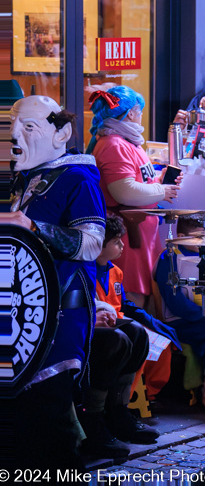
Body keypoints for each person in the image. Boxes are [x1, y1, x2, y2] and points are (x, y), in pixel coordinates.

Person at [1, 96, 106, 469]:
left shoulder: (77, 177)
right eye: (14, 127)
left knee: (49, 411)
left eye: (29, 127)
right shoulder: (28, 174)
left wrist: (33, 227)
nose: (16, 136)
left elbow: (92, 243)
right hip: (21, 313)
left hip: (59, 313)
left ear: (62, 133)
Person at [81, 214, 169, 458]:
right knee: (117, 341)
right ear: (99, 244)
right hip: (82, 327)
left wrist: (150, 321)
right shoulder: (81, 270)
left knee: (139, 333)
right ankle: (93, 418)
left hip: (108, 322)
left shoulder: (115, 272)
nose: (122, 246)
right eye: (117, 241)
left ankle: (118, 411)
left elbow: (122, 306)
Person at [89, 86, 180, 306]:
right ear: (131, 112)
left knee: (142, 292)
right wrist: (161, 190)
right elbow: (124, 191)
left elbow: (136, 183)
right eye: (139, 111)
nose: (141, 116)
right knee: (130, 293)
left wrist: (159, 181)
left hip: (138, 233)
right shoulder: (114, 144)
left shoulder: (125, 142)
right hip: (127, 235)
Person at [152, 214, 205, 411]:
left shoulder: (204, 257)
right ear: (180, 235)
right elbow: (175, 301)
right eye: (198, 237)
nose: (203, 241)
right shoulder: (169, 258)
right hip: (180, 321)